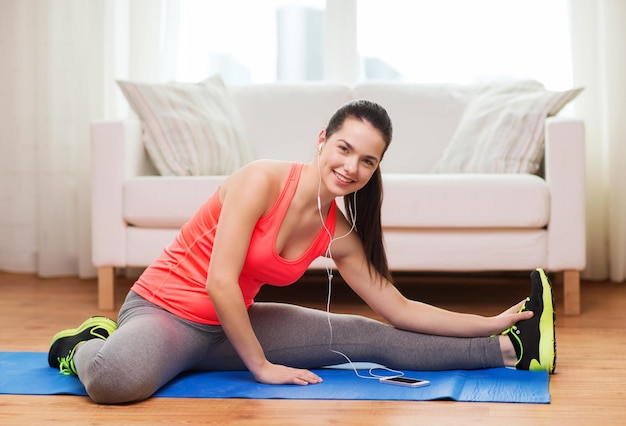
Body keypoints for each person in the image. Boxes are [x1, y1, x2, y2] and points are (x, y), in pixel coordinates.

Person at [48, 100, 556, 405]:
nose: (351, 166)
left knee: (371, 336)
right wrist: (262, 368)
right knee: (114, 382)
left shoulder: (337, 233)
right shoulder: (260, 180)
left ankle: (513, 349)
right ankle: (84, 345)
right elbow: (219, 282)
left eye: (367, 160)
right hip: (164, 312)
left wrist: (489, 322)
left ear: (376, 168)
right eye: (344, 148)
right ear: (321, 141)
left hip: (231, 324)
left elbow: (400, 309)